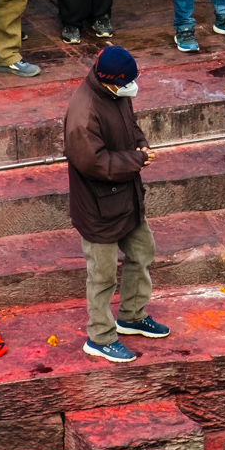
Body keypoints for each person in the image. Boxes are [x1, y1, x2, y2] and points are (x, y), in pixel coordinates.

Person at [66, 45, 171, 365]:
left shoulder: (117, 91)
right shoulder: (83, 114)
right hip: (98, 206)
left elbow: (131, 125)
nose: (132, 88)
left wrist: (142, 145)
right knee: (102, 275)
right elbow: (95, 164)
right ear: (110, 81)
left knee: (142, 252)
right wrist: (137, 159)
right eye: (127, 83)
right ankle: (100, 336)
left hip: (126, 196)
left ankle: (132, 315)